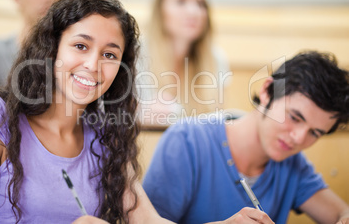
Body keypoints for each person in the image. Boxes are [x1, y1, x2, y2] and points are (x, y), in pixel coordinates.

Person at [0, 0, 173, 224]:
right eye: (80, 46)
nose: (92, 65)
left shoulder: (105, 134)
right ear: (52, 48)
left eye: (109, 54)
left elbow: (149, 221)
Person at [143, 51, 349, 224]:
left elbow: (341, 214)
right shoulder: (187, 141)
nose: (298, 138)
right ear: (268, 91)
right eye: (294, 117)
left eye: (315, 133)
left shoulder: (293, 164)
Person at [138, 0, 230, 124]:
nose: (194, 12)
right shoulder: (137, 54)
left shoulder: (216, 59)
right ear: (160, 11)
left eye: (201, 4)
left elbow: (214, 120)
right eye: (181, 2)